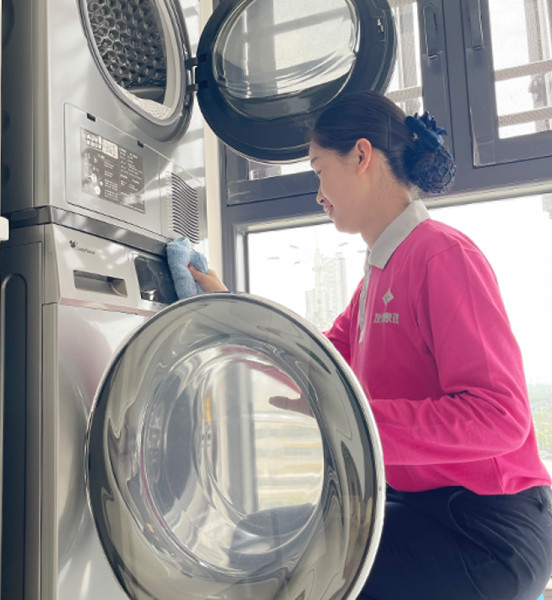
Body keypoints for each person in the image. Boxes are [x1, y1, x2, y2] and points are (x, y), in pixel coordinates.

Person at [189, 90, 552, 600]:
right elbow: (314, 358)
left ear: (361, 155)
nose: (318, 194)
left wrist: (350, 419)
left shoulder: (443, 255)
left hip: (488, 531)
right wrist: (226, 311)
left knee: (289, 568)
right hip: (420, 507)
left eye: (319, 170)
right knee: (254, 534)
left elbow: (500, 418)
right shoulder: (377, 277)